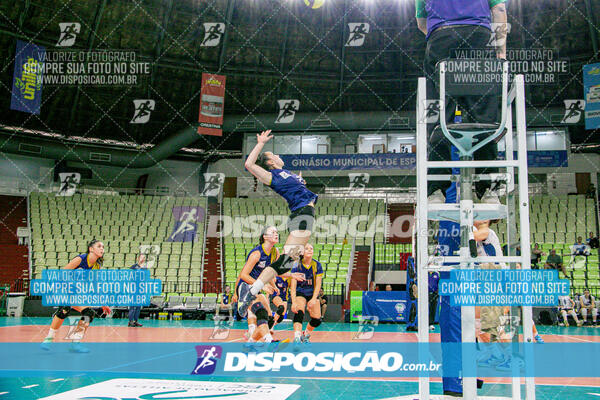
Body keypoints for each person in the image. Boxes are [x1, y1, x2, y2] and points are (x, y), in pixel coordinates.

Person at [416, 0, 508, 206]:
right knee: (484, 115)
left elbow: (421, 22)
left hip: (441, 39)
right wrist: (500, 52)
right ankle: (488, 192)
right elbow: (499, 10)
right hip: (479, 37)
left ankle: (436, 191)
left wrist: (443, 33)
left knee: (438, 116)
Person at [238, 130, 318, 317]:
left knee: (286, 261)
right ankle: (251, 291)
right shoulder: (272, 176)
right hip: (303, 213)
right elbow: (249, 164)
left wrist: (300, 182)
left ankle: (252, 291)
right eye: (275, 155)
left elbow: (297, 186)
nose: (279, 155)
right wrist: (261, 143)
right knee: (286, 261)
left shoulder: (286, 174)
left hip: (302, 214)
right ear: (271, 162)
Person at [40, 239, 111, 352]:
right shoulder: (80, 259)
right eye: (99, 246)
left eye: (103, 247)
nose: (102, 249)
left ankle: (75, 343)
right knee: (65, 309)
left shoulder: (96, 266)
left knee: (89, 313)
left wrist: (103, 303)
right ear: (91, 249)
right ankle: (49, 338)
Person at [236, 226, 303, 345]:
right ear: (264, 237)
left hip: (256, 287)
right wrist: (262, 286)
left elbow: (274, 271)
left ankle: (250, 343)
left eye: (277, 232)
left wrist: (291, 276)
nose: (276, 234)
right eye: (272, 232)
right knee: (261, 312)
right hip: (246, 287)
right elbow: (243, 275)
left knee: (269, 318)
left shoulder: (274, 252)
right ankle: (269, 341)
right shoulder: (257, 254)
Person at [290, 243, 323, 345]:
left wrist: (313, 299)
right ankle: (297, 337)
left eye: (311, 248)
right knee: (299, 311)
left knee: (317, 320)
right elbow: (293, 286)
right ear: (302, 252)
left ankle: (306, 334)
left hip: (312, 292)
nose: (309, 250)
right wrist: (293, 301)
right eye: (307, 248)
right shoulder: (297, 265)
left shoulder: (317, 265)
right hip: (301, 291)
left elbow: (318, 285)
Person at [128, 254, 147, 327]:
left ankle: (136, 321)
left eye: (144, 258)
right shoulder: (133, 267)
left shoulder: (145, 268)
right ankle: (130, 321)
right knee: (133, 306)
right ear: (138, 258)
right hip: (133, 289)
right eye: (141, 257)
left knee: (138, 306)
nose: (142, 259)